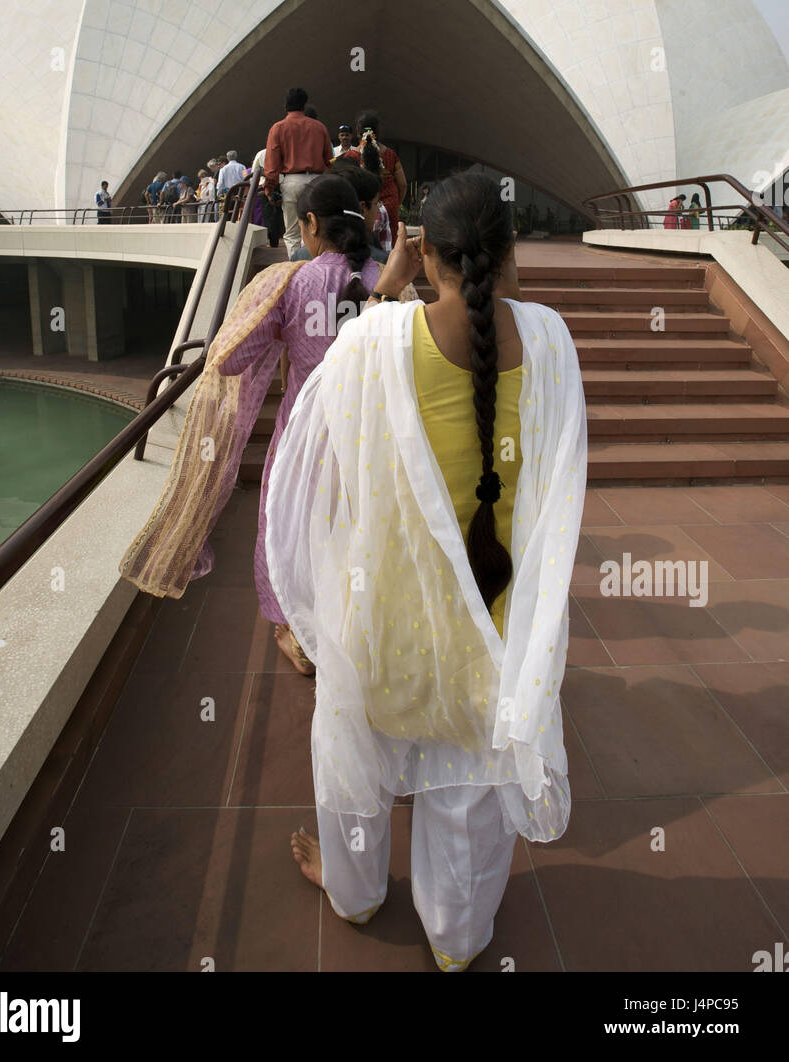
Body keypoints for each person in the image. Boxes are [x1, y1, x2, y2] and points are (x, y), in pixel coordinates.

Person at [266, 171, 587, 971]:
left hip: (387, 622)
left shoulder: (375, 342)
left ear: (429, 254)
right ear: (510, 254)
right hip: (495, 620)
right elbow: (558, 486)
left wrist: (387, 290)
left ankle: (354, 893)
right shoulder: (547, 340)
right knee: (470, 791)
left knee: (357, 756)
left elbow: (324, 457)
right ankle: (454, 936)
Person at [119, 174, 385, 677]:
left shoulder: (290, 282)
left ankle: (294, 634)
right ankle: (353, 625)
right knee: (353, 526)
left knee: (286, 526)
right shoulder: (388, 283)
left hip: (307, 432)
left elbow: (230, 359)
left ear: (310, 224)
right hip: (368, 437)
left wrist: (265, 321)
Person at [263, 88, 332, 257]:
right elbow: (329, 161)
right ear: (304, 105)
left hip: (292, 181)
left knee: (292, 232)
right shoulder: (319, 127)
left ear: (285, 105)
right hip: (317, 182)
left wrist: (270, 189)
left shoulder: (278, 128)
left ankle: (297, 268)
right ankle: (319, 264)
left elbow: (272, 166)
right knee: (319, 228)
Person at [289, 160, 388, 264]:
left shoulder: (299, 256)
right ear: (362, 209)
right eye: (376, 203)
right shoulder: (382, 262)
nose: (377, 210)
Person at [350, 111, 407, 246]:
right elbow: (403, 184)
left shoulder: (352, 157)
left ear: (358, 130)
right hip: (390, 206)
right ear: (378, 130)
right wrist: (396, 204)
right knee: (390, 244)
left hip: (363, 209)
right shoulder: (390, 155)